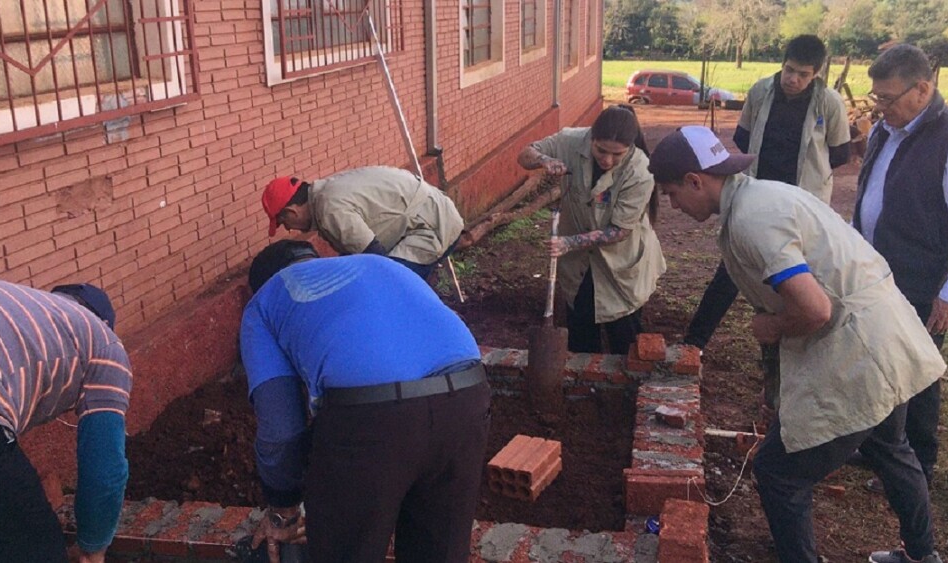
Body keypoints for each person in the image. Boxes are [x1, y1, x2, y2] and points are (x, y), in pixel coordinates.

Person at [649, 125, 945, 563]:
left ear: (695, 180)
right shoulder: (761, 196)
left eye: (672, 193)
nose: (673, 205)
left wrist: (771, 327)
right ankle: (924, 556)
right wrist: (778, 386)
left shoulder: (753, 219)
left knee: (779, 473)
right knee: (890, 446)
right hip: (886, 332)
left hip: (858, 348)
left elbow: (814, 311)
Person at [240, 240, 490, 563]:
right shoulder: (378, 266)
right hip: (467, 397)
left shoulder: (262, 304)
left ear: (262, 282)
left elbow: (282, 430)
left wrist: (283, 508)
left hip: (371, 419)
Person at [682, 35, 852, 415]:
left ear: (817, 74)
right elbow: (742, 139)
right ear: (783, 63)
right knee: (730, 274)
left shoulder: (829, 103)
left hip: (799, 210)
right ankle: (693, 345)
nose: (793, 79)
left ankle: (786, 387)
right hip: (756, 199)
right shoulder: (761, 92)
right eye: (789, 70)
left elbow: (838, 154)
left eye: (803, 75)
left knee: (792, 292)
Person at [851, 43, 948, 498]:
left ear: (923, 89)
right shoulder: (886, 129)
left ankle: (918, 463)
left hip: (922, 279)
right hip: (879, 275)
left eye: (888, 99)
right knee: (881, 364)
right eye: (876, 97)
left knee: (918, 373)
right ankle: (882, 448)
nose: (881, 107)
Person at [0, 281, 132, 563]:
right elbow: (105, 469)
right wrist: (93, 547)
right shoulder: (103, 342)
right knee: (34, 547)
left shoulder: (17, 310)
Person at [517, 105, 665, 355]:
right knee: (581, 330)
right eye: (600, 150)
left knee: (623, 336)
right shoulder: (570, 141)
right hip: (580, 264)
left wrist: (569, 243)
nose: (607, 160)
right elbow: (526, 154)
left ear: (629, 147)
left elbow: (619, 231)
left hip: (621, 261)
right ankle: (584, 385)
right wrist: (546, 160)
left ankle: (624, 387)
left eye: (616, 154)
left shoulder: (641, 171)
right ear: (591, 137)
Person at [260, 165, 464, 280]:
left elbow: (374, 257)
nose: (287, 228)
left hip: (432, 225)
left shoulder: (328, 209)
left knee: (390, 286)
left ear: (291, 211)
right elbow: (354, 254)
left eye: (283, 221)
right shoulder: (324, 193)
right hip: (433, 213)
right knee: (399, 288)